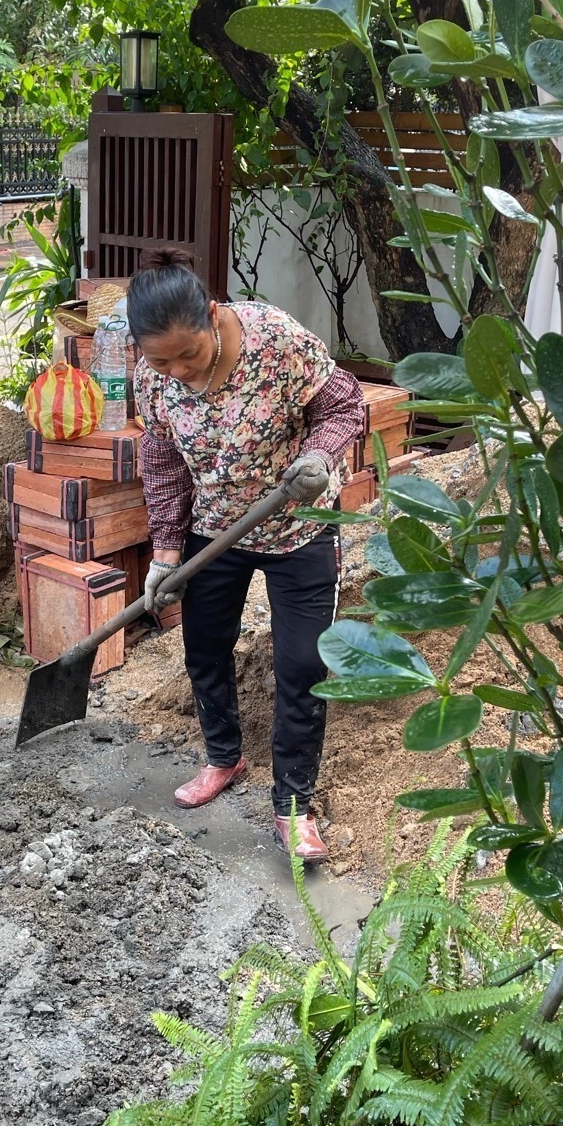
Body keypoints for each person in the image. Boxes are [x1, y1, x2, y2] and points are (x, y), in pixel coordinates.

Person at [130, 249, 365, 863]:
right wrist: (164, 549)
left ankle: (293, 807)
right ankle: (222, 756)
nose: (177, 370)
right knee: (204, 645)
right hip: (216, 528)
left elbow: (346, 405)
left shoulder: (274, 339)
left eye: (190, 353)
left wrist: (319, 455)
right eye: (162, 359)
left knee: (301, 664)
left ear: (212, 316)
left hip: (298, 526)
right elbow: (160, 462)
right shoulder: (150, 376)